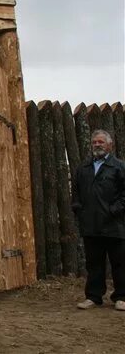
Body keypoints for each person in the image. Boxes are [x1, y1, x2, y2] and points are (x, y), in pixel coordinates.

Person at [72, 129, 125, 311]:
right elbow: (76, 191)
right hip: (91, 224)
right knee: (94, 263)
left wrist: (114, 210)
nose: (97, 145)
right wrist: (79, 209)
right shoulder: (83, 167)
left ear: (110, 145)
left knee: (119, 262)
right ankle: (93, 297)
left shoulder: (118, 167)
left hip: (114, 224)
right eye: (95, 142)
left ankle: (121, 297)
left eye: (101, 142)